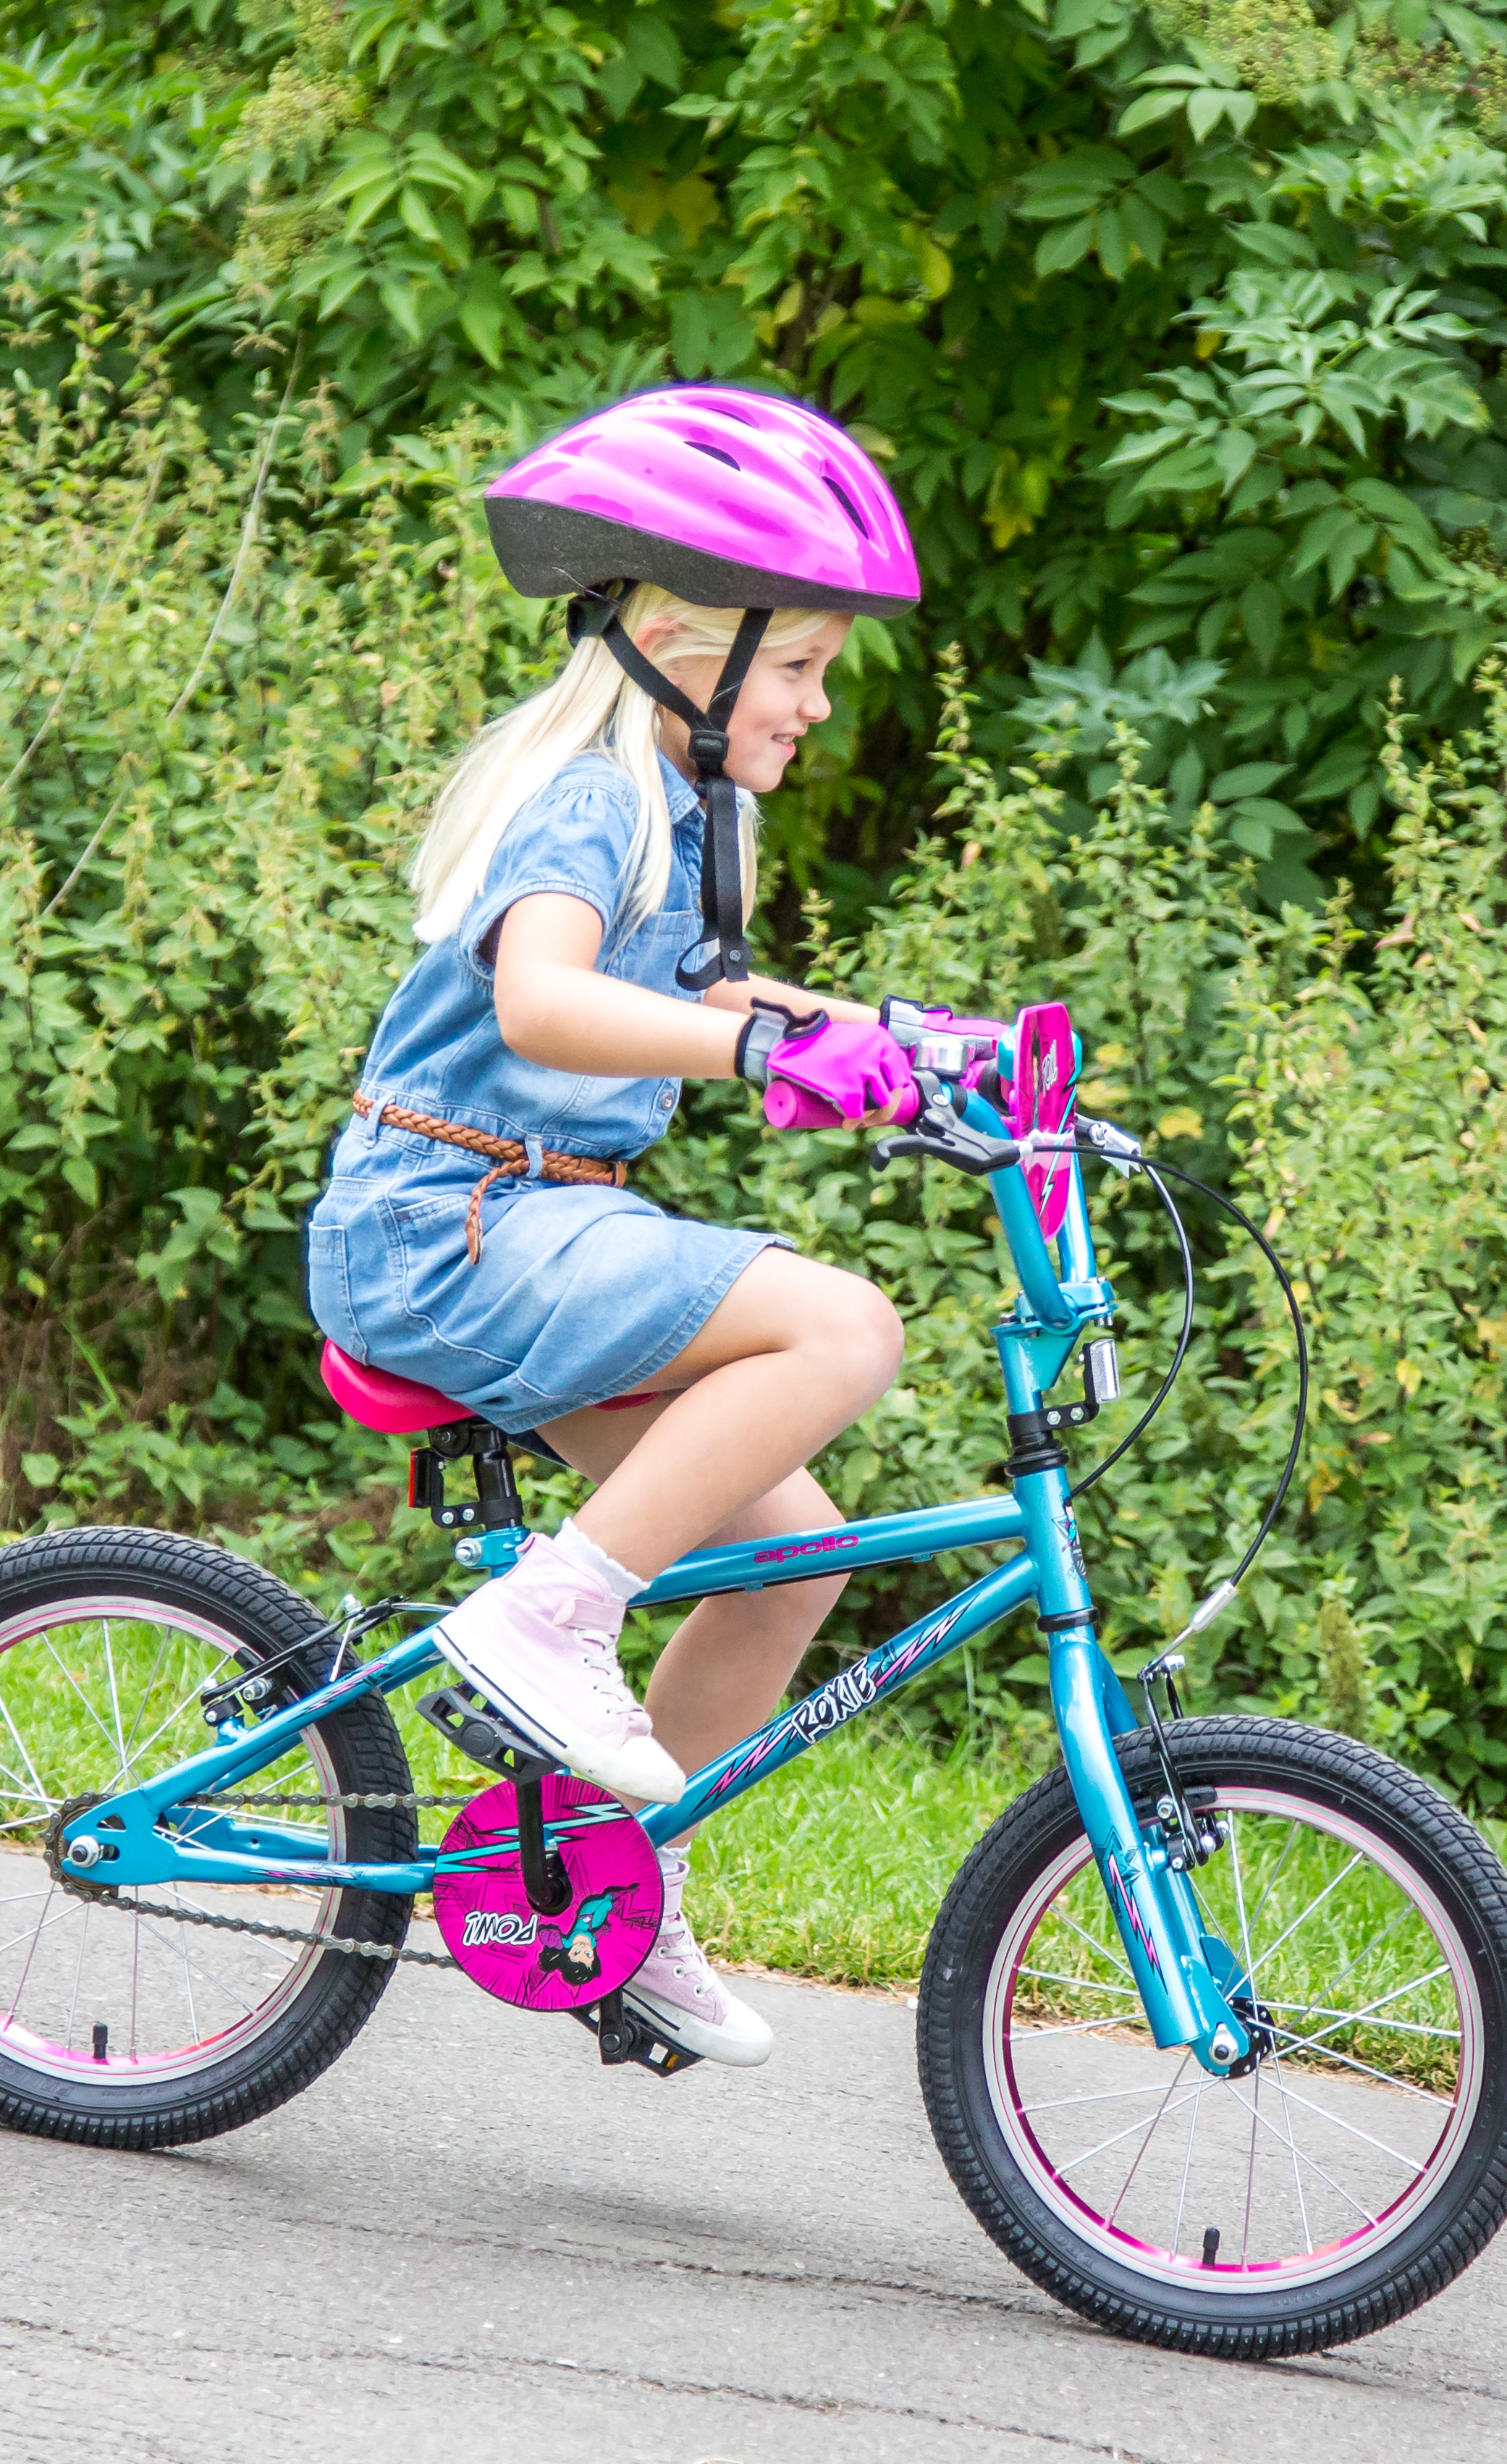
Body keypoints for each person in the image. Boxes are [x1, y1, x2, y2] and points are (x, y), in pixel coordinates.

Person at [305, 386, 931, 2070]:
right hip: (448, 1224)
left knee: (788, 1553)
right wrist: (749, 1045)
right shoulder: (592, 794)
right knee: (844, 1325)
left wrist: (908, 1049)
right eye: (796, 668)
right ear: (679, 644)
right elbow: (547, 1000)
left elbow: (716, 990)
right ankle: (543, 1622)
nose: (813, 706)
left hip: (534, 1231)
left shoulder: (690, 810)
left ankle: (609, 1883)